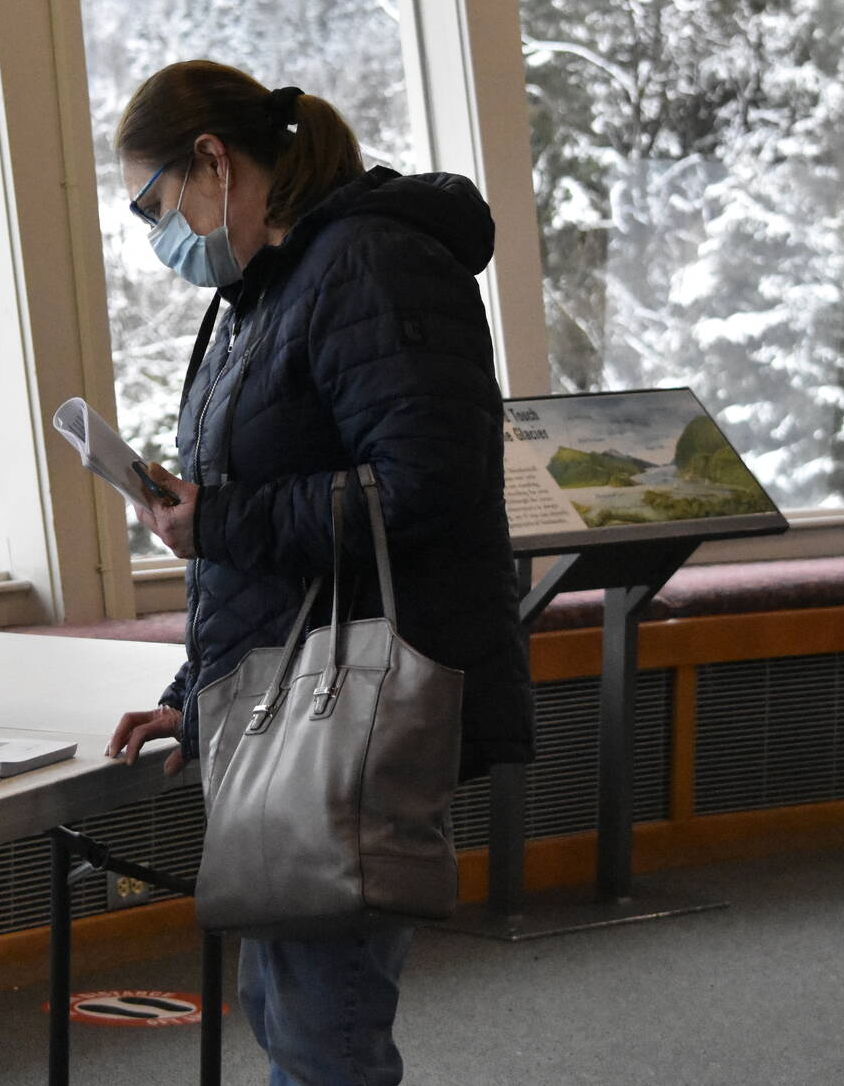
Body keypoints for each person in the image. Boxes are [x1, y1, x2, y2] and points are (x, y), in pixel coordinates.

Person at [102, 60, 534, 1086]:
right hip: (283, 699)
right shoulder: (266, 287)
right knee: (291, 1004)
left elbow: (424, 488)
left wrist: (221, 521)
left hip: (356, 707)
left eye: (152, 205)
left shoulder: (371, 265)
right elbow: (254, 534)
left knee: (320, 1025)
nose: (158, 237)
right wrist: (190, 696)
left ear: (210, 160)